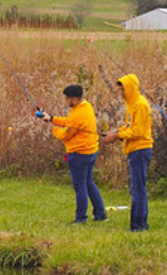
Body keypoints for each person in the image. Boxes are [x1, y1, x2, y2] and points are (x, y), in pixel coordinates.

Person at [41, 84, 107, 224]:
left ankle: (81, 218)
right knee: (89, 183)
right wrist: (52, 118)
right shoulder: (86, 106)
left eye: (67, 99)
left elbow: (65, 134)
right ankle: (101, 214)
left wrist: (52, 128)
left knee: (80, 187)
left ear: (75, 99)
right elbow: (69, 122)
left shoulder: (78, 114)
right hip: (91, 152)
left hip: (79, 154)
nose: (66, 101)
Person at [102, 75, 154, 232]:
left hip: (141, 150)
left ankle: (139, 225)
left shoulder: (140, 105)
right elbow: (129, 127)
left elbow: (138, 131)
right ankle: (138, 223)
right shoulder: (132, 105)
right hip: (133, 150)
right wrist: (115, 132)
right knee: (135, 188)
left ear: (130, 88)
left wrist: (117, 135)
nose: (120, 92)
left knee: (138, 189)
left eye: (122, 88)